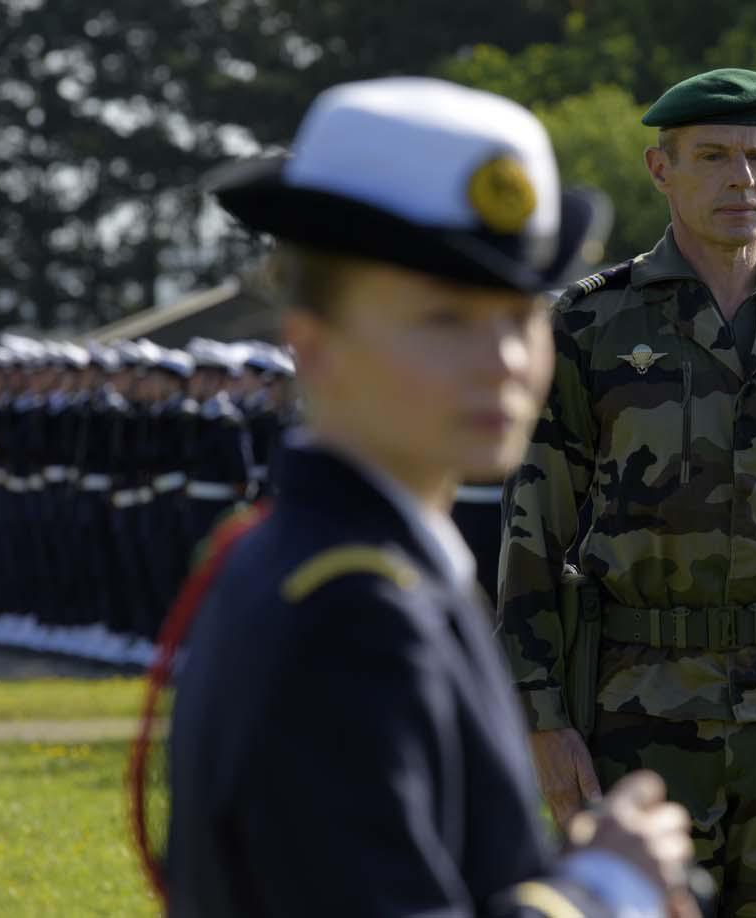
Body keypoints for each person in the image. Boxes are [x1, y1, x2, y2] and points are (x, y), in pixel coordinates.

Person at [160, 76, 697, 917]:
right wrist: (601, 892)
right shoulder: (355, 612)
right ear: (314, 347)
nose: (506, 361)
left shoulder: (329, 561)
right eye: (445, 318)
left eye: (521, 315)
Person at [497, 67, 756, 916]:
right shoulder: (590, 326)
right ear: (662, 170)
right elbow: (533, 535)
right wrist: (544, 722)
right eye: (716, 157)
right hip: (639, 713)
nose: (742, 180)